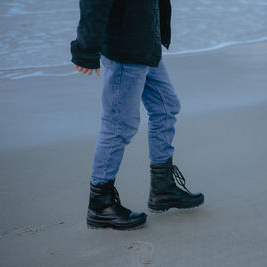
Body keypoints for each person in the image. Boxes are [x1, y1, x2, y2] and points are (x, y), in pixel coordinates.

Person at [70, 0, 204, 231]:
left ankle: (163, 189)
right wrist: (86, 49)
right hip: (125, 47)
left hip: (145, 41)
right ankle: (100, 205)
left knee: (166, 107)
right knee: (119, 125)